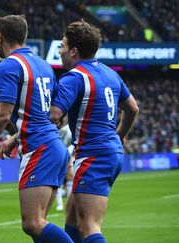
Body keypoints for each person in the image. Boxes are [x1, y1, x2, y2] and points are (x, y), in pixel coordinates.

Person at [0, 15, 73, 243]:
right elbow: (54, 114)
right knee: (40, 224)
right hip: (54, 147)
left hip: (40, 149)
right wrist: (17, 135)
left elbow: (1, 114)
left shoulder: (10, 65)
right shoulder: (43, 65)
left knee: (33, 223)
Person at [50, 20, 139, 243]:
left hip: (94, 155)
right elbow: (132, 109)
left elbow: (53, 115)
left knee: (88, 225)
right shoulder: (110, 74)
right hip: (108, 152)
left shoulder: (74, 77)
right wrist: (119, 135)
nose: (59, 51)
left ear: (73, 50)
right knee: (72, 219)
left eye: (62, 46)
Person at [55, 118, 74, 211]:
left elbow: (73, 143)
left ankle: (70, 203)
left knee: (70, 177)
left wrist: (69, 154)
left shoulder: (68, 129)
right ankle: (60, 204)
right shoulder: (54, 129)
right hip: (57, 155)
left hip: (68, 154)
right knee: (58, 179)